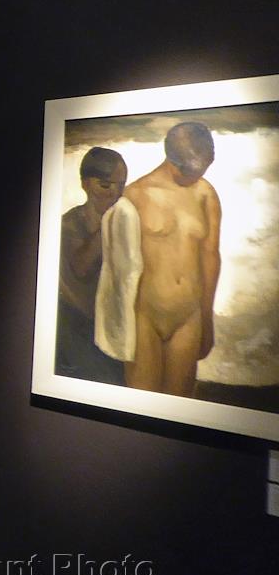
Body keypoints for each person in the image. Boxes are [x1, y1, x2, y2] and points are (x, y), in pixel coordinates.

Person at [96, 122, 222, 397]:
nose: (201, 176)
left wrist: (207, 319)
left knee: (180, 405)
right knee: (142, 404)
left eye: (206, 168)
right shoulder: (135, 197)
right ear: (173, 163)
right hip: (145, 319)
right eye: (195, 171)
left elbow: (211, 256)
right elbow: (116, 269)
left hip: (188, 317)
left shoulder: (206, 194)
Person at [56, 147, 127, 384]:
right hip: (75, 329)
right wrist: (108, 223)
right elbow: (81, 266)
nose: (115, 194)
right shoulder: (69, 224)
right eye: (105, 186)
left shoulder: (123, 223)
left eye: (121, 186)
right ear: (86, 184)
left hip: (109, 328)